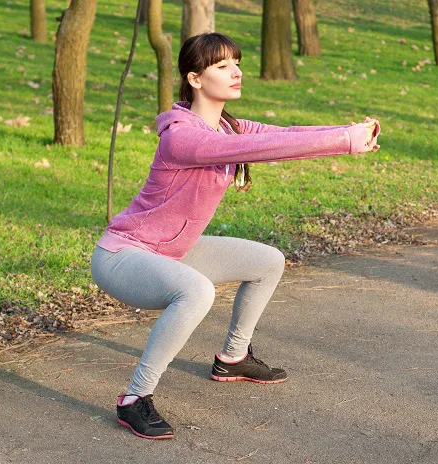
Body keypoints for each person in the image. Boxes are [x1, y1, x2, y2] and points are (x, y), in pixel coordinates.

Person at [90, 32, 380, 440]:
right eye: (223, 65)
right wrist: (344, 142)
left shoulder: (228, 128)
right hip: (123, 257)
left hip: (171, 251)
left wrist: (349, 132)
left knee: (267, 261)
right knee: (197, 292)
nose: (237, 71)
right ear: (195, 78)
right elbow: (266, 150)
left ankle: (232, 357)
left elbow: (283, 136)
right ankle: (134, 399)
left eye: (237, 62)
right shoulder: (183, 137)